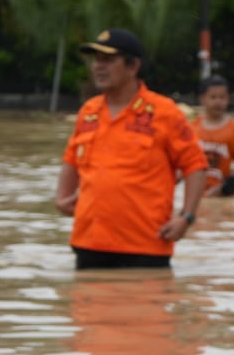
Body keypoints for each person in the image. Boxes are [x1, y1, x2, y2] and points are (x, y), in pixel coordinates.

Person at [55, 27, 209, 270]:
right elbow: (71, 159)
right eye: (96, 60)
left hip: (145, 246)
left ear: (133, 66)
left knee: (142, 307)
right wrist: (62, 197)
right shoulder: (89, 112)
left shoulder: (165, 112)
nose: (98, 67)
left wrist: (186, 217)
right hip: (89, 242)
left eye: (108, 60)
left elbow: (196, 166)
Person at [193, 75, 234, 197]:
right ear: (202, 99)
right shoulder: (192, 127)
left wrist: (222, 188)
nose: (218, 102)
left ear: (228, 99)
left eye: (222, 97)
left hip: (223, 195)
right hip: (197, 195)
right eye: (213, 97)